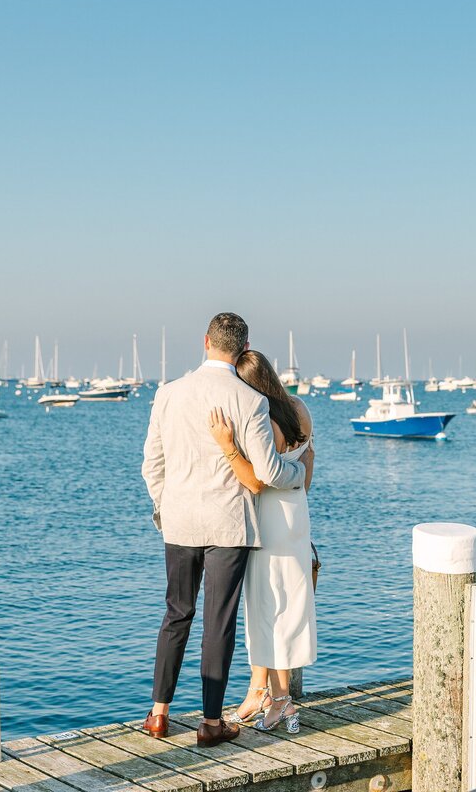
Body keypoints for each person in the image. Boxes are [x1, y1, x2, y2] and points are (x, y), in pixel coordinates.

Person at [140, 313, 311, 747]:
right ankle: (211, 723)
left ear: (205, 341)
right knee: (218, 622)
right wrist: (300, 471)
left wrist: (165, 507)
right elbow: (269, 471)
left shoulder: (168, 393)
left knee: (176, 613)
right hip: (229, 524)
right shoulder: (248, 399)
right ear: (243, 347)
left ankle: (158, 715)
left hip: (178, 521)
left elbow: (151, 466)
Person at [206, 350, 317, 733]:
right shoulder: (300, 409)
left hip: (268, 517)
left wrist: (227, 446)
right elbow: (307, 468)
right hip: (296, 514)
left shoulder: (262, 420)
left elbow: (257, 479)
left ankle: (274, 696)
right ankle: (270, 693)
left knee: (266, 604)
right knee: (287, 604)